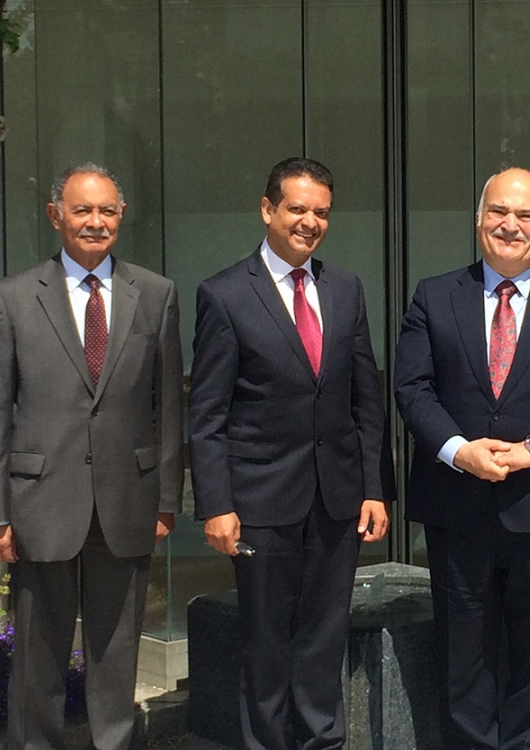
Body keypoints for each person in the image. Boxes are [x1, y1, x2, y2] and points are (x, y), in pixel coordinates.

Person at [394, 167, 530, 750]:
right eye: (498, 212)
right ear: (478, 221)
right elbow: (413, 387)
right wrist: (457, 450)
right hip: (457, 507)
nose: (509, 225)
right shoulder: (434, 295)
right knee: (462, 653)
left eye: (524, 216)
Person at [0, 164, 183, 750]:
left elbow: (166, 408)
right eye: (83, 210)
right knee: (39, 658)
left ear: (121, 217)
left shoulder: (157, 295)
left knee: (117, 657)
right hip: (40, 504)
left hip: (127, 503)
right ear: (55, 215)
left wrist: (166, 499)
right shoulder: (12, 299)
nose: (95, 222)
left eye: (107, 211)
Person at [189, 157, 393, 750]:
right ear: (268, 210)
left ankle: (322, 743)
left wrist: (374, 487)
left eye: (322, 212)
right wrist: (216, 505)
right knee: (266, 644)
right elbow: (207, 415)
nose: (310, 222)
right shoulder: (225, 295)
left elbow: (365, 399)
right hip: (259, 502)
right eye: (298, 209)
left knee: (324, 638)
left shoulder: (346, 288)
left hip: (337, 499)